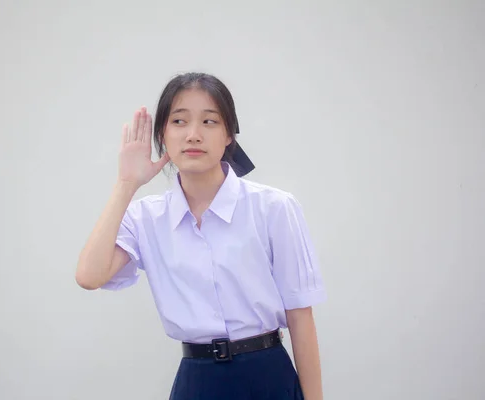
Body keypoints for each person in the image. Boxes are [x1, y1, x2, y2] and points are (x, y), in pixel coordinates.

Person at [76, 72, 326, 400]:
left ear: (228, 136)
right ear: (162, 135)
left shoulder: (273, 208)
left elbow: (300, 316)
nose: (193, 135)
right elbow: (89, 276)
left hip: (267, 376)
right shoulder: (145, 218)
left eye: (209, 122)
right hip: (198, 381)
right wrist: (126, 184)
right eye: (179, 121)